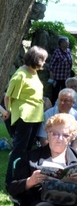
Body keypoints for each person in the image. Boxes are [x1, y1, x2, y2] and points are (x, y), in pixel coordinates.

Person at [6, 46, 48, 181]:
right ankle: (11, 179)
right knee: (19, 149)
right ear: (36, 59)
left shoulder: (33, 71)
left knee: (28, 149)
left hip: (35, 116)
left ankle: (23, 175)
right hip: (24, 117)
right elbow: (8, 97)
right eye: (43, 59)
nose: (45, 63)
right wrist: (8, 112)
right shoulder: (20, 75)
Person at [46, 36, 73, 106]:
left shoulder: (68, 51)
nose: (67, 43)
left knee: (65, 91)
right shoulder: (57, 52)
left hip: (66, 76)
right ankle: (53, 105)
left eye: (67, 42)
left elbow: (70, 62)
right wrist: (51, 74)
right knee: (55, 92)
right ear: (61, 43)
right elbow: (51, 64)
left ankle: (64, 104)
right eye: (65, 42)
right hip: (57, 77)